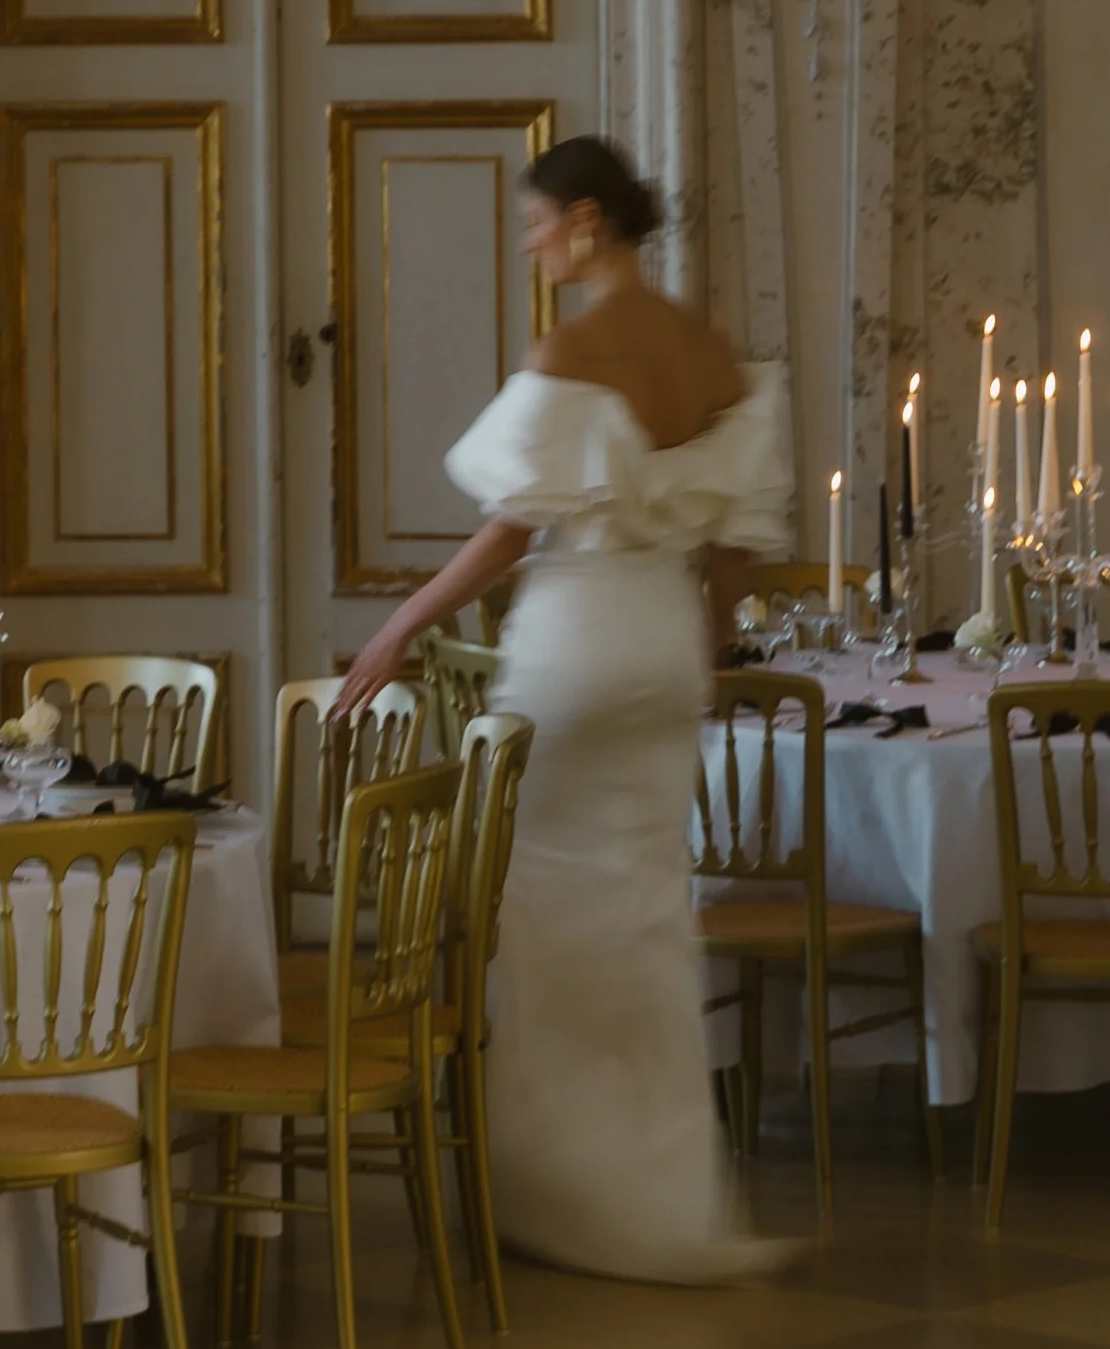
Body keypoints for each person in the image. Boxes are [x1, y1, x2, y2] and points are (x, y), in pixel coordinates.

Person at [335, 135, 791, 1283]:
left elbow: (510, 529)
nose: (531, 243)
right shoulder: (711, 354)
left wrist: (401, 628)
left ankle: (560, 1199)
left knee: (536, 906)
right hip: (662, 644)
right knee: (644, 914)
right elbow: (734, 542)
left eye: (538, 223)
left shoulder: (576, 347)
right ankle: (667, 1200)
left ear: (586, 221)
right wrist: (712, 638)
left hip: (579, 635)